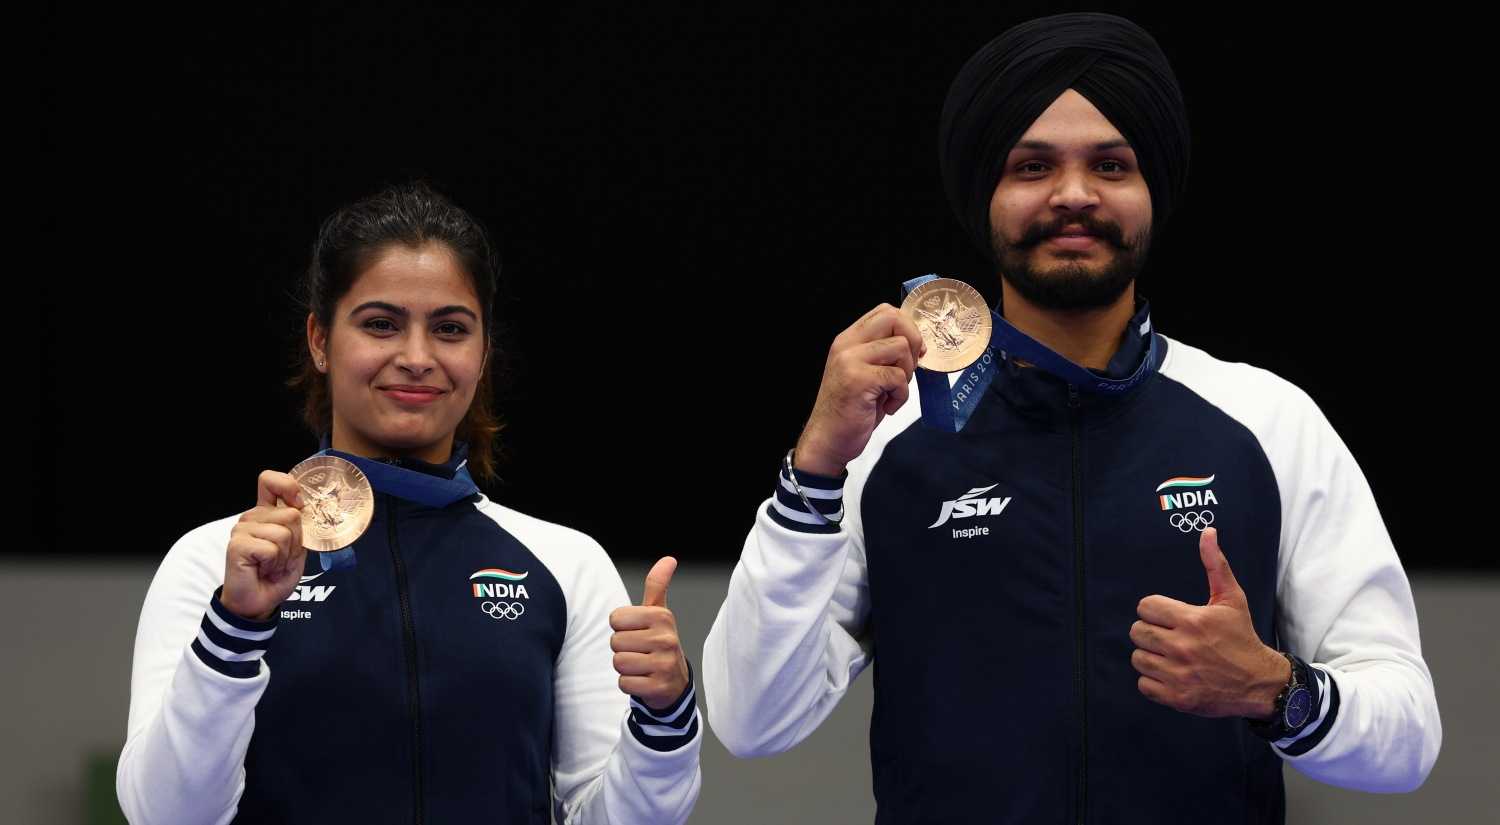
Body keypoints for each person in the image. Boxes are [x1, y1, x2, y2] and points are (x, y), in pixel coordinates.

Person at [702, 12, 1440, 824]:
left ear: (1151, 189)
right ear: (986, 193)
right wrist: (814, 467)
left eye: (1112, 165)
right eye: (1033, 165)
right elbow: (751, 720)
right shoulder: (887, 440)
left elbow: (1408, 738)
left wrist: (1277, 688)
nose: (1075, 194)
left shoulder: (1267, 420)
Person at [117, 181, 702, 824]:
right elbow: (165, 816)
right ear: (319, 340)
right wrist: (235, 629)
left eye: (450, 328)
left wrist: (665, 718)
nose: (417, 357)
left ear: (482, 354)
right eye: (380, 324)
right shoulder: (217, 563)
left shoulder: (567, 565)